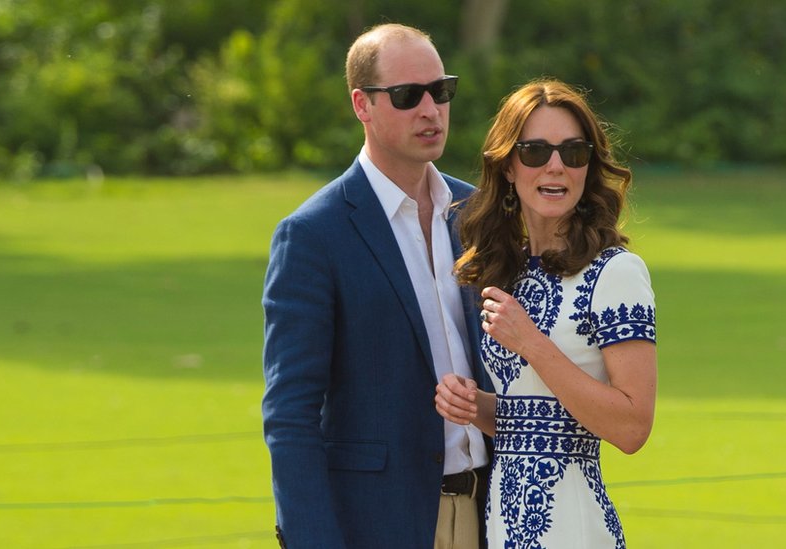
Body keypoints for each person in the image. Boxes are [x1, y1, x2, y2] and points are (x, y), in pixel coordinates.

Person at [262, 23, 493, 549]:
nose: (431, 110)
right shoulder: (312, 234)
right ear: (361, 105)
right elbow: (290, 414)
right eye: (409, 96)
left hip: (495, 513)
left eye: (441, 90)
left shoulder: (479, 213)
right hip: (378, 524)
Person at [435, 78, 657, 548]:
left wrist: (532, 343)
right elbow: (540, 420)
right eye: (535, 151)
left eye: (573, 152)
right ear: (509, 168)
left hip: (574, 528)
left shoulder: (616, 273)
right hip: (502, 527)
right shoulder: (507, 268)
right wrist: (478, 408)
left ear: (588, 166)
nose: (556, 166)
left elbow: (633, 427)